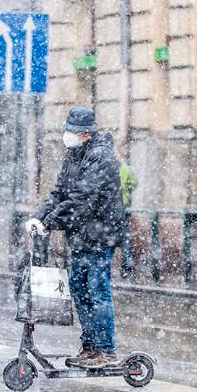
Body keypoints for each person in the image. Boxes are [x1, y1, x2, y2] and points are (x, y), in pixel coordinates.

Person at [25, 107, 127, 369]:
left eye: (71, 131)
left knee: (97, 291)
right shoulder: (74, 155)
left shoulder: (101, 156)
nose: (66, 135)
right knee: (80, 291)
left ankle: (106, 350)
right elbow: (59, 193)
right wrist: (38, 216)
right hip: (80, 236)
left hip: (100, 236)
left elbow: (82, 198)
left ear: (85, 134)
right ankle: (90, 347)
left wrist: (49, 222)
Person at [118, 155, 138, 277]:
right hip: (124, 205)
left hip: (111, 206)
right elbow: (134, 183)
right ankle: (127, 264)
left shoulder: (105, 166)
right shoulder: (125, 168)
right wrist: (126, 190)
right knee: (125, 236)